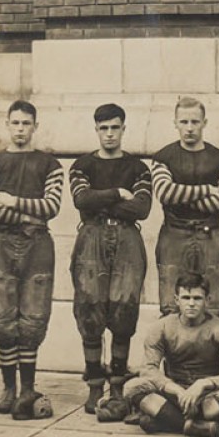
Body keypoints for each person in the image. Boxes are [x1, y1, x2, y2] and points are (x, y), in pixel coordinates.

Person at [0, 99, 66, 420]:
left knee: (33, 316)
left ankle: (27, 388)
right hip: (1, 242)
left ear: (35, 127)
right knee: (1, 316)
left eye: (26, 124)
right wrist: (29, 212)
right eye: (15, 123)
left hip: (38, 244)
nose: (20, 129)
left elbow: (52, 206)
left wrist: (13, 201)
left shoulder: (50, 164)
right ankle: (8, 388)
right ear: (7, 124)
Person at [70, 103, 153, 419]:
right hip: (91, 238)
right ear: (96, 130)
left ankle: (117, 385)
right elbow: (81, 199)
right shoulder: (82, 165)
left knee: (123, 309)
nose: (109, 134)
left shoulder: (138, 168)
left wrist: (100, 201)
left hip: (127, 240)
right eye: (103, 128)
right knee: (90, 308)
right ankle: (94, 384)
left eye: (114, 127)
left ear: (123, 129)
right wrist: (118, 192)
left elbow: (141, 209)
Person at [119, 272, 219, 437]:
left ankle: (166, 419)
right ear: (177, 300)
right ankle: (192, 426)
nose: (191, 304)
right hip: (174, 394)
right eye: (186, 298)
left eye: (197, 298)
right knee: (132, 387)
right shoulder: (161, 327)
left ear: (207, 300)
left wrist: (203, 384)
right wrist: (176, 389)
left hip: (206, 396)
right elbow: (148, 369)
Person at [149, 96, 219, 315]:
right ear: (175, 123)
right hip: (174, 235)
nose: (189, 128)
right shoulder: (163, 157)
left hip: (211, 236)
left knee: (213, 305)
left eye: (195, 122)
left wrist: (182, 196)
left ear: (204, 123)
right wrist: (207, 189)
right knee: (171, 305)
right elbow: (165, 193)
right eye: (184, 122)